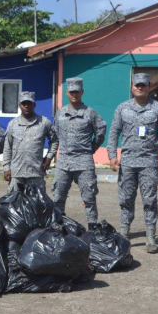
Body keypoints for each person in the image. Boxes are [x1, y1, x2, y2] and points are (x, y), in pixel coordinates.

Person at [107, 73, 158, 254]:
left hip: (149, 162)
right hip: (128, 161)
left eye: (143, 85)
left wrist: (154, 144)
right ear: (132, 87)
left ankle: (151, 237)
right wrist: (112, 154)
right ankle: (124, 232)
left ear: (148, 87)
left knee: (149, 200)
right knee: (126, 199)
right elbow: (114, 132)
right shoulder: (122, 109)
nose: (140, 88)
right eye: (137, 85)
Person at [52, 77, 107, 230]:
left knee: (89, 197)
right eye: (71, 92)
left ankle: (92, 228)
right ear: (67, 93)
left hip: (84, 161)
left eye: (77, 91)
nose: (74, 94)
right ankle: (58, 227)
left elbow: (101, 132)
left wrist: (90, 149)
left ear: (82, 92)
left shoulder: (90, 113)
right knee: (58, 196)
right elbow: (55, 134)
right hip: (64, 161)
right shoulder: (60, 113)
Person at [3, 91, 58, 191]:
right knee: (15, 204)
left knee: (37, 204)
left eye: (29, 103)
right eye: (24, 104)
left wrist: (49, 158)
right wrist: (6, 168)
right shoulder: (12, 124)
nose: (26, 106)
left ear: (34, 105)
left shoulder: (44, 122)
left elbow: (54, 140)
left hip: (36, 172)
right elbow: (7, 147)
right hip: (16, 173)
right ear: (19, 105)